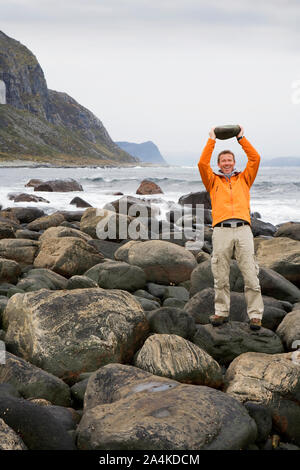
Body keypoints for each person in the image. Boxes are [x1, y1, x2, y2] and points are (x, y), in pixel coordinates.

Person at [198, 125, 264, 330]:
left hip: (243, 229)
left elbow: (255, 159)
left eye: (229, 160)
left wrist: (241, 138)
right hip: (221, 230)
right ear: (219, 164)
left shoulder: (245, 178)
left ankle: (255, 316)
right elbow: (202, 163)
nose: (226, 163)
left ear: (234, 163)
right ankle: (221, 313)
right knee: (220, 274)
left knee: (251, 275)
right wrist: (212, 140)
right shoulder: (212, 181)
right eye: (223, 161)